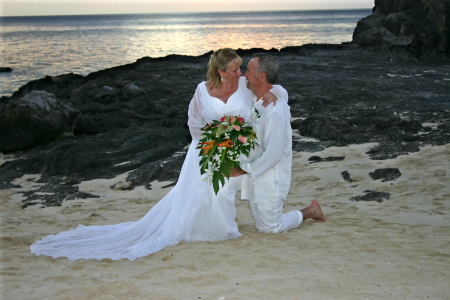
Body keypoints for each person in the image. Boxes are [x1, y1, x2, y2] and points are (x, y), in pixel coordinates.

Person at [30, 48, 277, 261]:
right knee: (202, 190)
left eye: (240, 68)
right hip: (206, 148)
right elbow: (193, 122)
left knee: (221, 189)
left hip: (237, 145)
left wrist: (272, 95)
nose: (239, 73)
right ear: (221, 71)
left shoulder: (245, 85)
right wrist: (208, 145)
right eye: (234, 70)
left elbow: (273, 92)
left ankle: (222, 228)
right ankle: (208, 229)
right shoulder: (203, 89)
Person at [232, 53, 326, 233]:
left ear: (261, 76)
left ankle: (310, 211)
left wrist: (244, 169)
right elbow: (280, 89)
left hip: (270, 176)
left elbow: (273, 154)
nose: (245, 75)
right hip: (256, 171)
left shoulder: (274, 112)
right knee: (263, 225)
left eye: (249, 71)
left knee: (270, 228)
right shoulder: (259, 98)